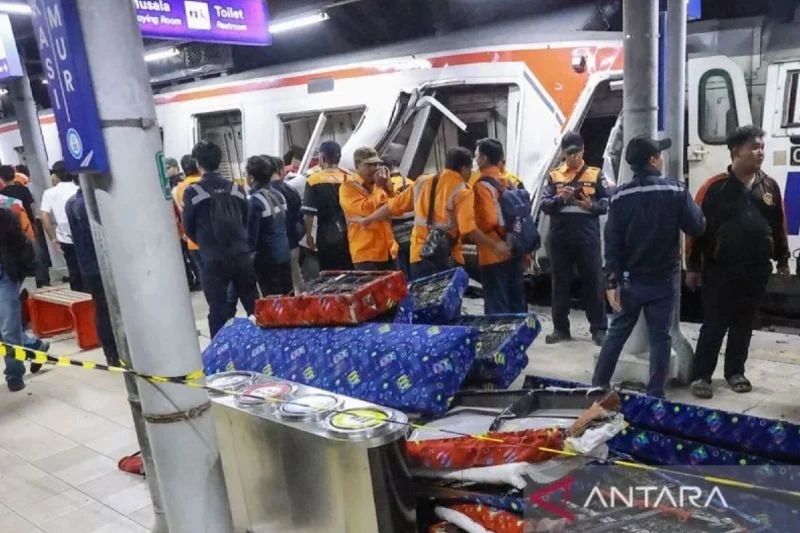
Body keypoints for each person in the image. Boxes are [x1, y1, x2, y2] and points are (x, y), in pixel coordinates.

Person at [592, 136, 705, 398]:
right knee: (660, 337)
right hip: (664, 280)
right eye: (660, 155)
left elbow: (612, 242)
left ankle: (598, 386)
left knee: (617, 333)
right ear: (654, 160)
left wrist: (611, 281)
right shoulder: (675, 191)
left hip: (630, 280)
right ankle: (655, 393)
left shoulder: (619, 196)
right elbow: (697, 226)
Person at [687, 125, 791, 399]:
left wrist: (782, 259)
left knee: (744, 323)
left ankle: (735, 372)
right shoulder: (713, 188)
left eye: (762, 147)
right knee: (714, 323)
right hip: (720, 269)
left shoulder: (769, 186)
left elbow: (779, 224)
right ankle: (702, 375)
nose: (760, 152)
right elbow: (697, 231)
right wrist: (693, 267)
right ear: (736, 152)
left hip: (756, 269)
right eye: (754, 147)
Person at [358, 147, 511, 280]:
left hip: (419, 255)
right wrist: (495, 246)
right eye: (470, 169)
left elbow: (393, 206)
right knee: (447, 308)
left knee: (424, 307)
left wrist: (368, 219)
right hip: (445, 258)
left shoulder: (422, 182)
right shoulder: (463, 191)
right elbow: (468, 229)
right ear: (464, 168)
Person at [541, 132, 611, 346]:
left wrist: (592, 206)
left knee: (593, 282)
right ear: (563, 153)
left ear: (583, 150)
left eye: (576, 152)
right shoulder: (554, 176)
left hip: (587, 238)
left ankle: (598, 329)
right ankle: (560, 329)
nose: (573, 157)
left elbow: (607, 202)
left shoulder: (595, 174)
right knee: (560, 284)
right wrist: (559, 198)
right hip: (560, 238)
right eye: (568, 153)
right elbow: (545, 204)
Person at [182, 140, 258, 338]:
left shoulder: (193, 192)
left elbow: (188, 227)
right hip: (241, 255)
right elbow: (245, 217)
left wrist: (206, 244)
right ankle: (263, 348)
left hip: (213, 259)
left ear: (198, 163)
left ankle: (220, 353)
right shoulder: (236, 188)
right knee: (254, 306)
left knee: (217, 309)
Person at [65, 188, 120, 366]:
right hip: (103, 264)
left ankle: (111, 352)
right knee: (110, 309)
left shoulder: (71, 202)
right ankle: (115, 351)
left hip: (89, 266)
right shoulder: (89, 204)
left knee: (102, 309)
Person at [473, 138, 524, 314]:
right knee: (516, 301)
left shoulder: (482, 185)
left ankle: (501, 342)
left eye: (476, 155)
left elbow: (488, 220)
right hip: (515, 248)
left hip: (493, 253)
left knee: (497, 306)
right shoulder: (511, 181)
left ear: (483, 159)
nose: (475, 159)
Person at [340, 147, 398, 271]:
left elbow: (395, 207)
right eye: (369, 165)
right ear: (357, 165)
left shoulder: (380, 184)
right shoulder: (348, 187)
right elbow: (366, 209)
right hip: (367, 253)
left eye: (376, 164)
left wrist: (388, 189)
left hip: (389, 249)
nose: (375, 168)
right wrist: (379, 187)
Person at [245, 156, 293, 296]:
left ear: (251, 178)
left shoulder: (254, 201)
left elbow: (252, 236)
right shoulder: (278, 195)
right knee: (289, 296)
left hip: (266, 260)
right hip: (284, 254)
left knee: (273, 300)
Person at [0, 206, 36, 391]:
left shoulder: (5, 217)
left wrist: (23, 274)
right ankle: (36, 345)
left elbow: (23, 245)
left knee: (9, 329)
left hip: (4, 277)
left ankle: (14, 373)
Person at [302, 141, 353, 271]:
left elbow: (309, 214)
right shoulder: (349, 178)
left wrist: (309, 236)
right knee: (350, 270)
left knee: (330, 273)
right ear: (339, 157)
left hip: (327, 234)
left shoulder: (313, 180)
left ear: (322, 157)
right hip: (351, 232)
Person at [267, 155, 305, 293]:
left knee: (276, 285)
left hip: (271, 248)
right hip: (292, 242)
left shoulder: (263, 195)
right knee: (296, 279)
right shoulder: (291, 190)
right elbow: (300, 216)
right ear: (282, 171)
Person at [41, 161, 81, 291]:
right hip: (85, 235)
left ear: (55, 175)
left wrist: (53, 237)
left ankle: (79, 300)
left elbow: (44, 216)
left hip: (65, 238)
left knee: (74, 271)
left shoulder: (50, 193)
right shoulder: (79, 188)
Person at [387, 159, 414, 278]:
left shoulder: (387, 185)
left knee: (402, 269)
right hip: (414, 230)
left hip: (397, 233)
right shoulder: (411, 182)